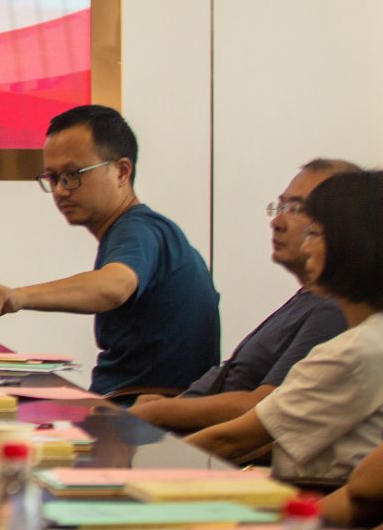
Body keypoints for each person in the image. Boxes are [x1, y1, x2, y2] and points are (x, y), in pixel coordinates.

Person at [0, 104, 219, 395]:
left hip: (137, 412)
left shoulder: (138, 229)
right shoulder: (143, 230)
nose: (61, 190)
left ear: (122, 172)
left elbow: (113, 287)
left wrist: (17, 297)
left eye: (73, 174)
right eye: (53, 178)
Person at [132, 159, 359, 432]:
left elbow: (264, 408)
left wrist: (160, 412)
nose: (277, 222)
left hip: (210, 447)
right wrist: (171, 404)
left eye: (296, 209)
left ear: (341, 225)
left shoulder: (330, 311)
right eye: (280, 207)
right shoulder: (307, 300)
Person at [191, 169, 383, 488]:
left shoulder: (351, 351)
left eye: (314, 233)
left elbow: (233, 441)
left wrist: (137, 466)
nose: (305, 248)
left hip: (312, 500)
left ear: (350, 244)